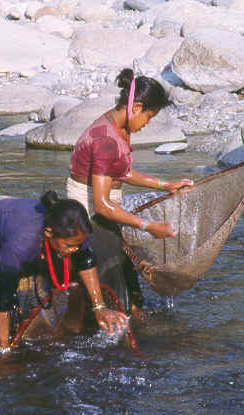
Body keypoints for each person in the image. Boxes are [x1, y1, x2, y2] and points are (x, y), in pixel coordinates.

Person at [67, 68, 195, 314]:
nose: (147, 124)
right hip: (89, 217)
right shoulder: (106, 140)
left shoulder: (118, 126)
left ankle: (134, 314)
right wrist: (147, 226)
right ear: (136, 107)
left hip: (105, 212)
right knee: (116, 286)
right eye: (149, 117)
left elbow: (121, 171)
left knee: (131, 286)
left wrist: (165, 185)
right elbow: (102, 205)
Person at [0, 190, 128, 364]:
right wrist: (4, 350)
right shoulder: (21, 245)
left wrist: (99, 307)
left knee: (37, 315)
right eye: (69, 246)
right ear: (49, 233)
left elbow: (85, 260)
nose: (74, 250)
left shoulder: (77, 231)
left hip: (12, 219)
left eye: (77, 245)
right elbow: (2, 297)